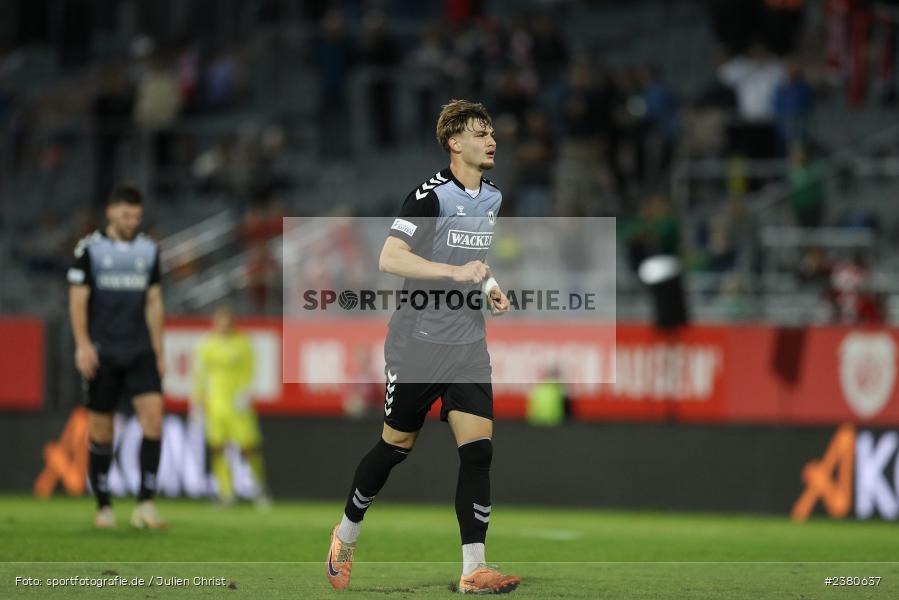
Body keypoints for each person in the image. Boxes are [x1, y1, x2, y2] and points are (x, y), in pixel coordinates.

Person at [326, 100, 520, 594]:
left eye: (491, 131)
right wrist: (455, 274)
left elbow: (473, 257)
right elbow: (390, 257)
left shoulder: (492, 196)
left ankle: (473, 569)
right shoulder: (429, 197)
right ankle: (346, 534)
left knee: (478, 453)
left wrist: (488, 284)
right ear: (455, 143)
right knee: (397, 445)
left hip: (467, 345)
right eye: (480, 133)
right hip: (417, 342)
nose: (491, 139)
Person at [67, 185, 167, 529]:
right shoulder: (90, 249)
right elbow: (78, 300)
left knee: (154, 419)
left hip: (139, 350)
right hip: (102, 352)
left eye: (136, 216)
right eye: (126, 215)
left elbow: (154, 302)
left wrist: (159, 351)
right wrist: (82, 344)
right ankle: (104, 505)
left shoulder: (148, 250)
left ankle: (145, 504)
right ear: (110, 212)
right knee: (101, 431)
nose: (132, 221)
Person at [191, 304, 271, 507]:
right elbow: (200, 375)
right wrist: (197, 401)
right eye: (221, 320)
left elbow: (250, 369)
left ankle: (259, 489)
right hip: (215, 404)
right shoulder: (207, 344)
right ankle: (226, 493)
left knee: (247, 447)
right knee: (219, 448)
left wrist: (245, 392)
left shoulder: (242, 342)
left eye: (228, 320)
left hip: (238, 404)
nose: (224, 324)